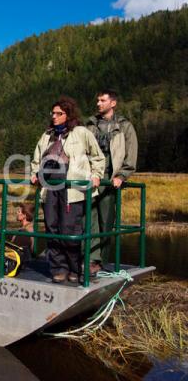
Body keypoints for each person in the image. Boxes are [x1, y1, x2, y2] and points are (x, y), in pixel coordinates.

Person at [30, 96, 105, 283]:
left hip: (72, 188)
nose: (54, 117)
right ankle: (58, 267)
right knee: (52, 227)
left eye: (59, 113)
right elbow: (37, 158)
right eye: (52, 113)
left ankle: (74, 267)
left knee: (69, 229)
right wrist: (34, 173)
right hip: (50, 187)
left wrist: (96, 175)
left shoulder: (81, 132)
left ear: (68, 114)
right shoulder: (47, 135)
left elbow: (97, 156)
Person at [85, 89, 138, 274]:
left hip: (111, 179)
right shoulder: (90, 125)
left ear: (113, 103)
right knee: (88, 218)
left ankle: (100, 261)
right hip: (91, 178)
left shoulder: (124, 126)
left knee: (105, 220)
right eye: (97, 100)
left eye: (102, 100)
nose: (98, 103)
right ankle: (89, 257)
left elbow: (131, 155)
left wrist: (122, 176)